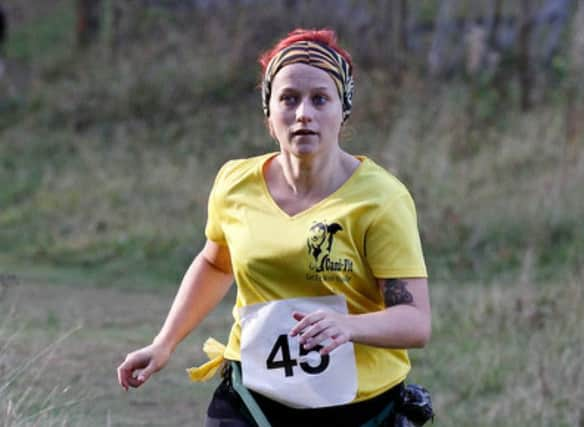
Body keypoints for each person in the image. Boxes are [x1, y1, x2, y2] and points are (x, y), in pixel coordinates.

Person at [117, 28, 431, 427]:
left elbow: (415, 322)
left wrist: (347, 326)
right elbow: (216, 265)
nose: (304, 113)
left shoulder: (382, 199)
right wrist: (164, 344)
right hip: (252, 398)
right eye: (288, 99)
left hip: (359, 408)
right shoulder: (235, 183)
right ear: (269, 113)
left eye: (320, 99)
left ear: (343, 110)